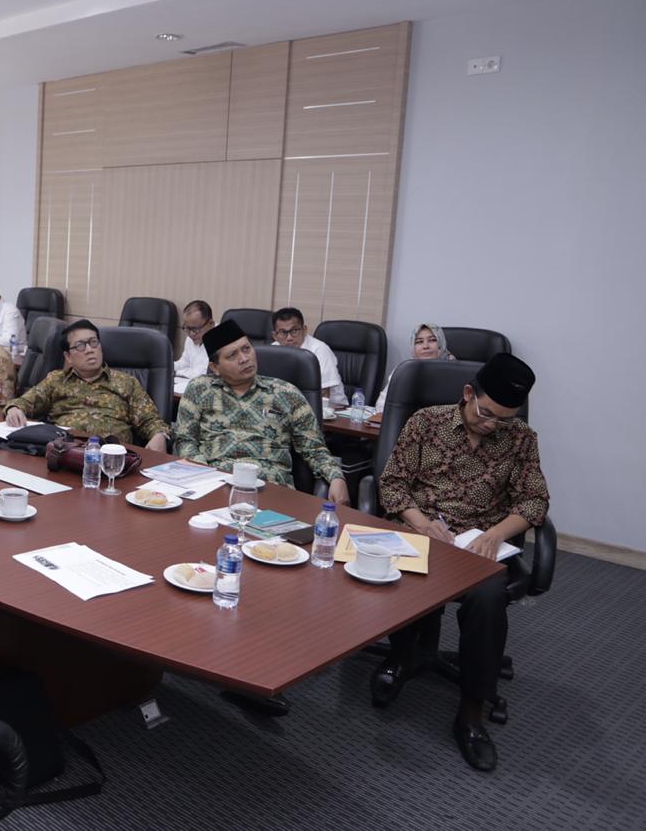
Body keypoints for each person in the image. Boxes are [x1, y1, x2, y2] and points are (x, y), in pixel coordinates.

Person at [375, 353, 548, 773]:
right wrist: (420, 522)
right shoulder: (426, 423)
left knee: (488, 599)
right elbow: (392, 483)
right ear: (469, 394)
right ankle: (405, 656)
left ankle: (471, 713)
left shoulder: (522, 438)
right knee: (393, 568)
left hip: (478, 543)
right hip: (422, 530)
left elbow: (534, 500)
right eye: (486, 413)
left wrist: (495, 535)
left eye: (503, 420)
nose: (492, 425)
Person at [175, 320, 350, 503]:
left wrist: (336, 477)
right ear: (215, 368)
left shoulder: (285, 392)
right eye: (232, 355)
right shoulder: (199, 389)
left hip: (271, 490)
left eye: (246, 349)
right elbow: (185, 440)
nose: (244, 359)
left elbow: (314, 448)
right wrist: (206, 476)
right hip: (213, 486)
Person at [4, 320, 170, 451]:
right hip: (66, 453)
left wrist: (159, 435)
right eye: (81, 346)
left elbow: (151, 421)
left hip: (112, 460)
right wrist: (14, 409)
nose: (90, 350)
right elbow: (24, 402)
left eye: (93, 343)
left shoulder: (126, 382)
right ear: (68, 356)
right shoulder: (56, 380)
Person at [271, 307, 346, 406]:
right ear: (275, 335)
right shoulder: (272, 350)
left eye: (294, 331)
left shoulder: (319, 350)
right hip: (290, 408)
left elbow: (324, 394)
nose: (289, 338)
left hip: (334, 411)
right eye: (283, 332)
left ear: (304, 330)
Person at [375, 323, 457, 411]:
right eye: (419, 342)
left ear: (441, 342)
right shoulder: (404, 370)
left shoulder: (454, 372)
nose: (425, 346)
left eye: (432, 340)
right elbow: (381, 404)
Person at [175, 299, 215, 381]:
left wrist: (178, 373)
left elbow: (203, 374)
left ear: (211, 324)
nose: (191, 334)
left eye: (195, 329)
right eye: (187, 328)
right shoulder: (191, 336)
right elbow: (184, 363)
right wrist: (165, 366)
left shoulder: (221, 340)